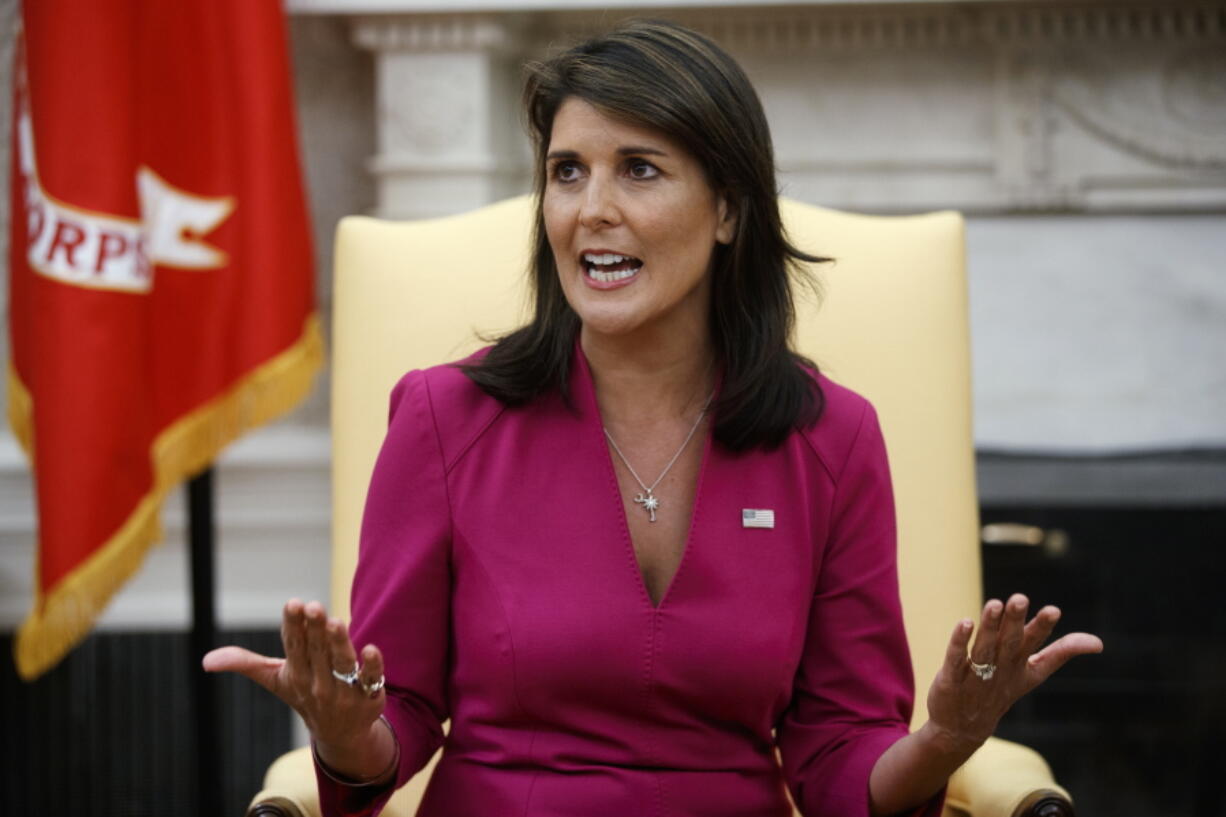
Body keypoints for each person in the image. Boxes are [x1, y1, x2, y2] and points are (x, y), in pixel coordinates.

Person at [204, 19, 1103, 817]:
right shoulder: (445, 416)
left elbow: (839, 753)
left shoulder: (833, 439)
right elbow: (393, 716)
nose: (591, 209)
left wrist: (943, 740)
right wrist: (343, 730)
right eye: (567, 173)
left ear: (728, 210)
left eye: (638, 169)